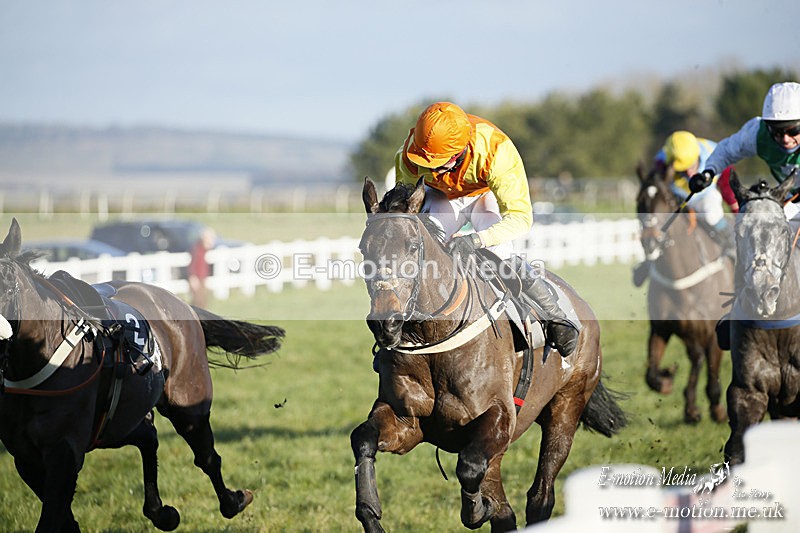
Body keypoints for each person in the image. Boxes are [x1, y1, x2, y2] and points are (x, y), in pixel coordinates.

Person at [393, 101, 578, 357]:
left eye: (438, 162)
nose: (430, 168)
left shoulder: (497, 151)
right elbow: (406, 213)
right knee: (422, 248)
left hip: (483, 196)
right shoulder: (412, 154)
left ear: (459, 151)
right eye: (427, 161)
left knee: (501, 254)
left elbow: (521, 218)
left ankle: (555, 318)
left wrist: (478, 240)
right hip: (440, 197)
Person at [689, 81, 800, 232]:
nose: (785, 139)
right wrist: (709, 172)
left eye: (794, 131)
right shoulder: (757, 133)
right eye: (777, 131)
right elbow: (727, 151)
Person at [632, 131, 738, 287]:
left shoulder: (714, 153)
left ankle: (732, 245)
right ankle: (648, 261)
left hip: (704, 196)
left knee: (711, 215)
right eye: (682, 169)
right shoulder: (662, 161)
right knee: (660, 224)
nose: (688, 172)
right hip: (677, 197)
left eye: (691, 166)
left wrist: (736, 210)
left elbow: (728, 185)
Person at [188, 227, 215, 308]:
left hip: (202, 278)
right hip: (197, 278)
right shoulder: (197, 250)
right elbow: (193, 265)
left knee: (203, 301)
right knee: (198, 301)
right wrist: (193, 277)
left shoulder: (204, 250)